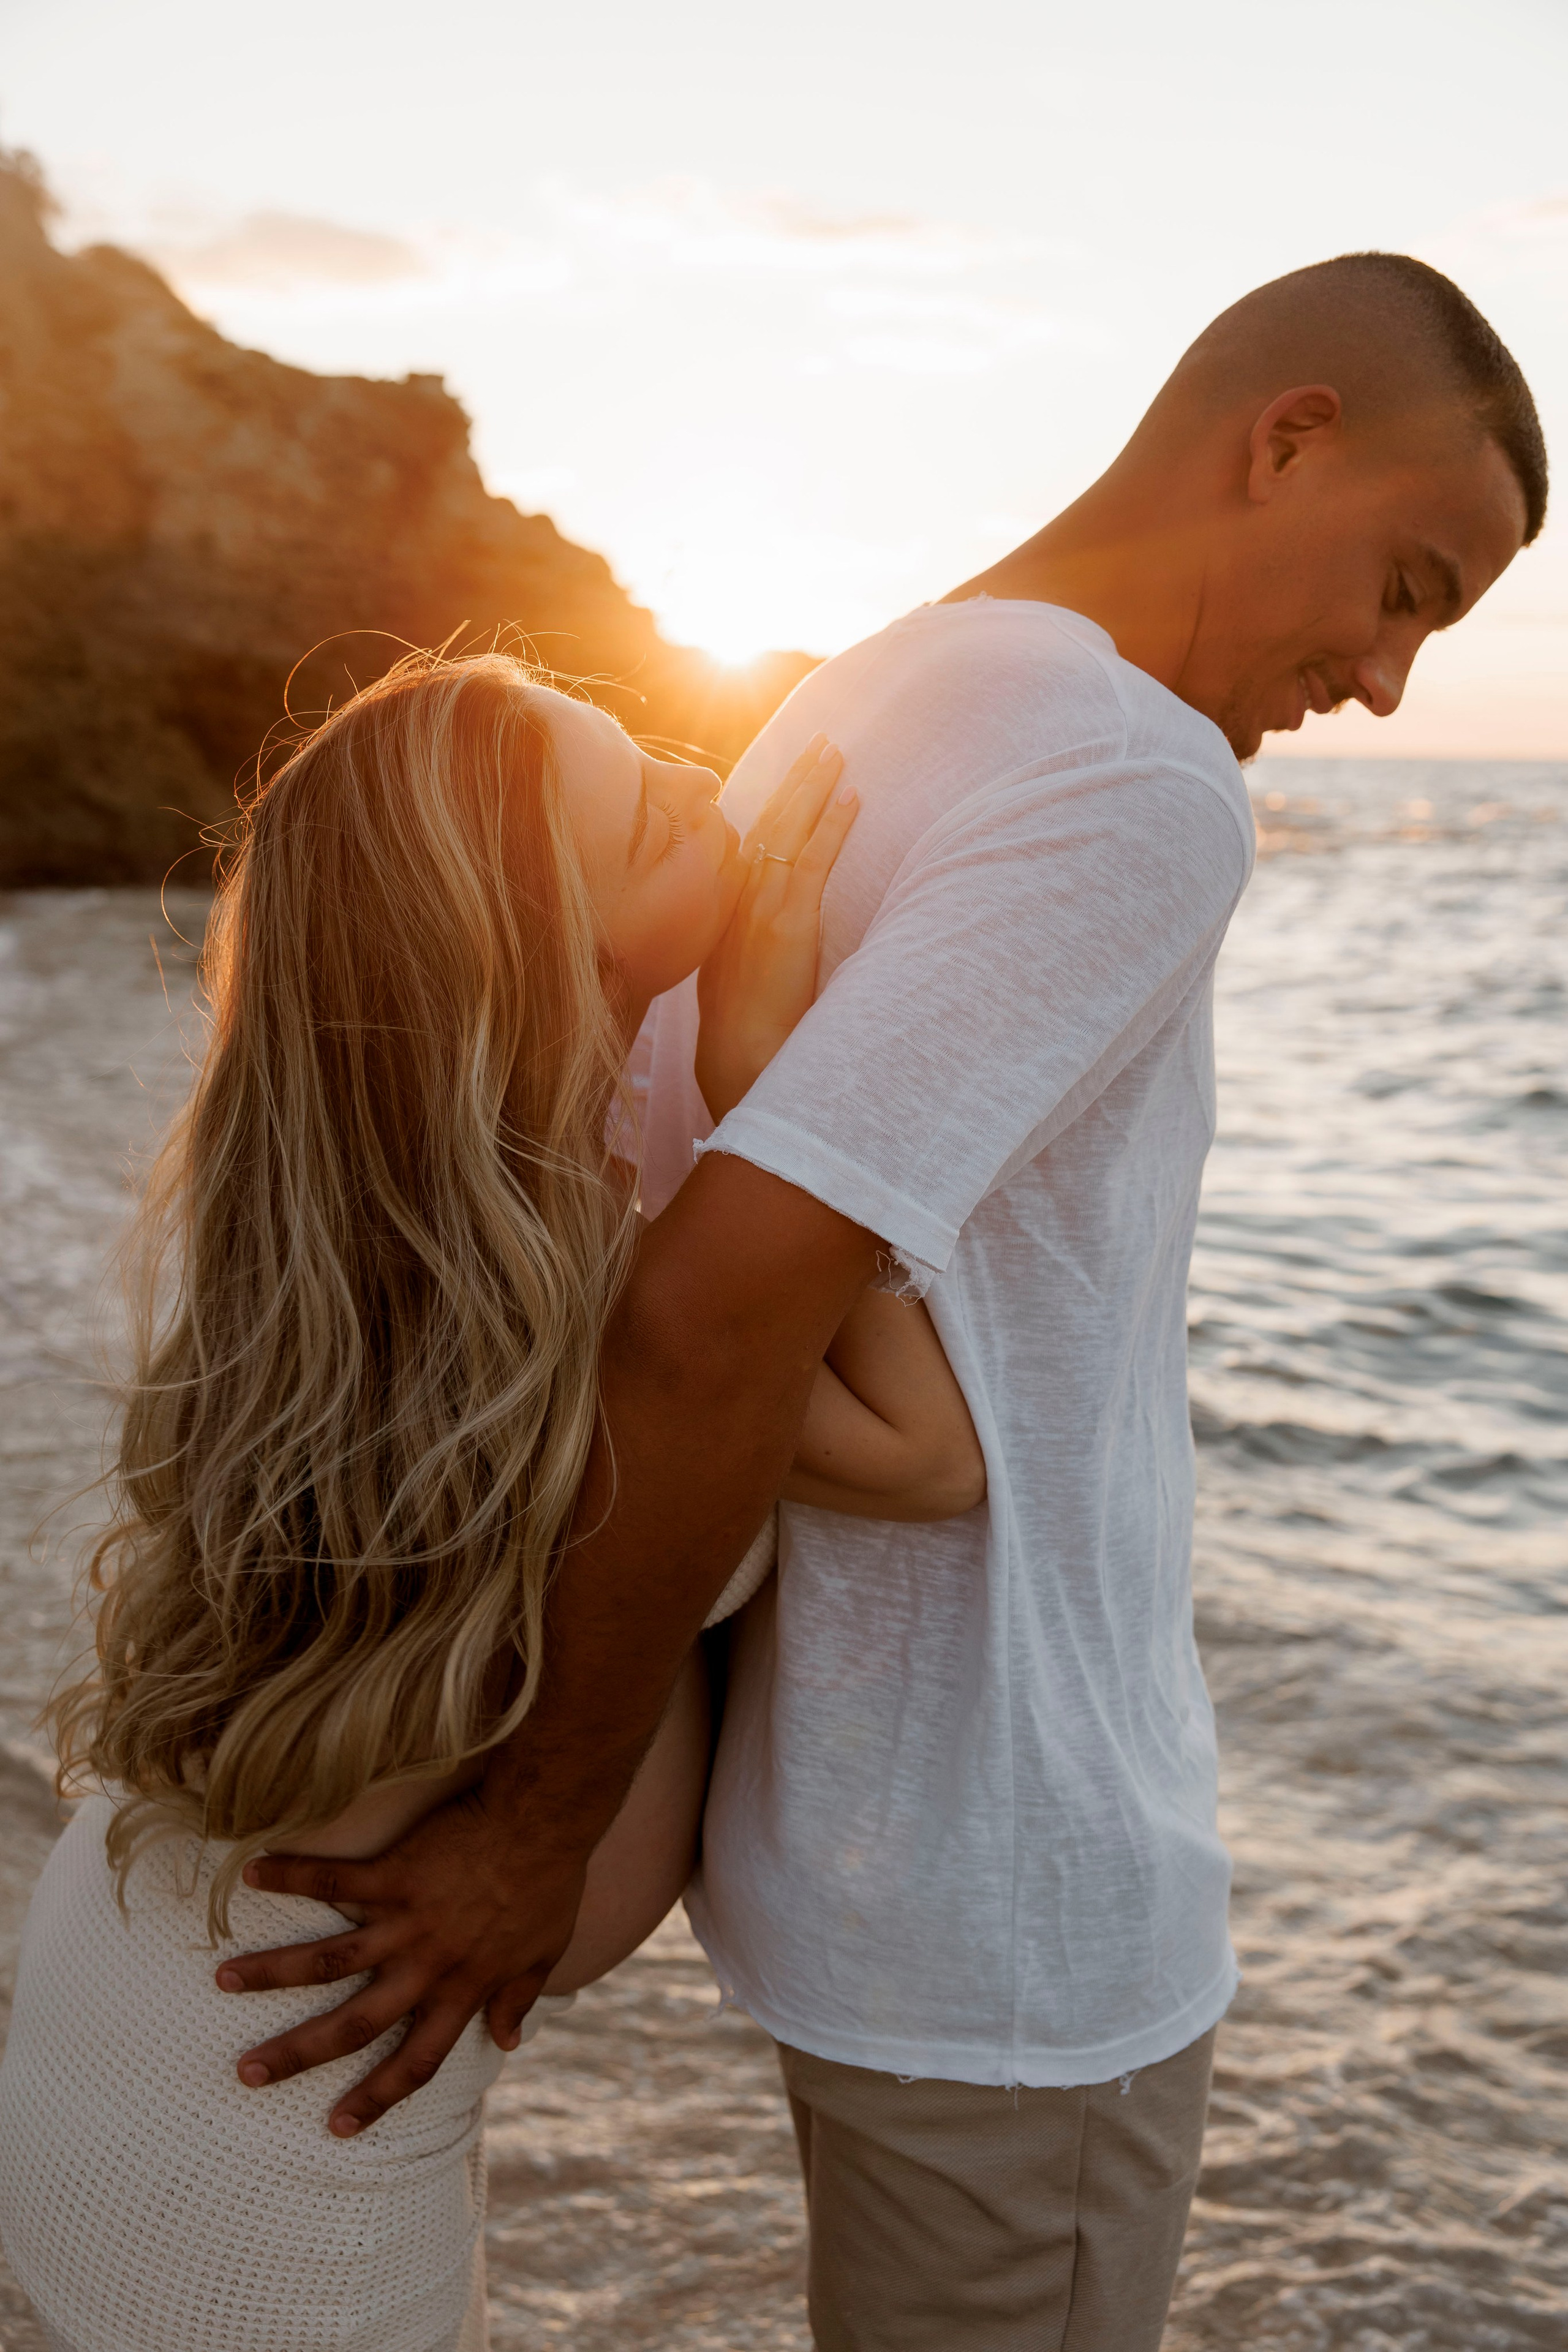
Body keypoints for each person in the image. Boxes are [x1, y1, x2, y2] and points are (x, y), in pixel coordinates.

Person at [149, 254, 1548, 2351]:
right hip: (1009, 1900)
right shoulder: (1142, 785)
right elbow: (703, 1312)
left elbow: (657, 1228)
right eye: (1412, 586)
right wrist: (533, 1836)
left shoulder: (860, 693)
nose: (1386, 684)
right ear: (1288, 444)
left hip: (840, 1838)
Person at [0, 658, 986, 2352]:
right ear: (551, 954)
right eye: (650, 811)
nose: (705, 778)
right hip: (275, 2094)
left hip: (163, 2003)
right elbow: (927, 1453)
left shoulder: (354, 1265)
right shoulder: (581, 1291)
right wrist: (771, 1077)